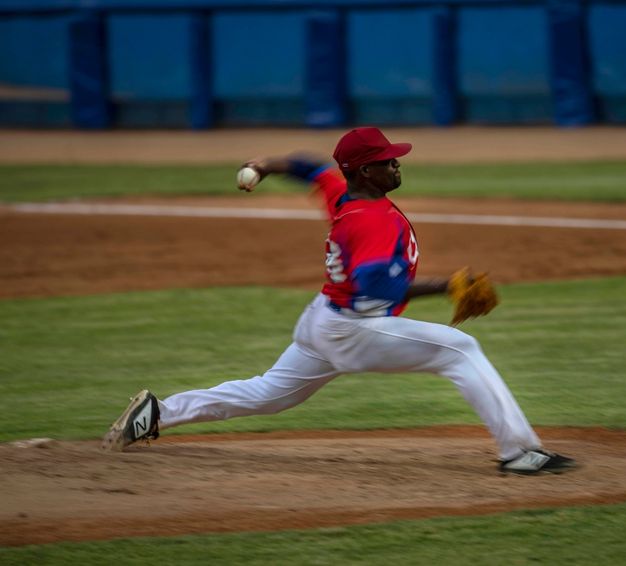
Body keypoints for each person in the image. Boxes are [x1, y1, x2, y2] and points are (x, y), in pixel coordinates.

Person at [102, 127, 575, 475]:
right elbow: (376, 288)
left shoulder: (344, 194)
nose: (397, 164)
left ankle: (158, 413)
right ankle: (520, 453)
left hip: (323, 322)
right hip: (356, 328)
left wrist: (266, 164)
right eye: (388, 160)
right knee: (461, 350)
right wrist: (448, 284)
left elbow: (312, 166)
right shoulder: (371, 220)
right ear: (367, 170)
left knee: (267, 395)